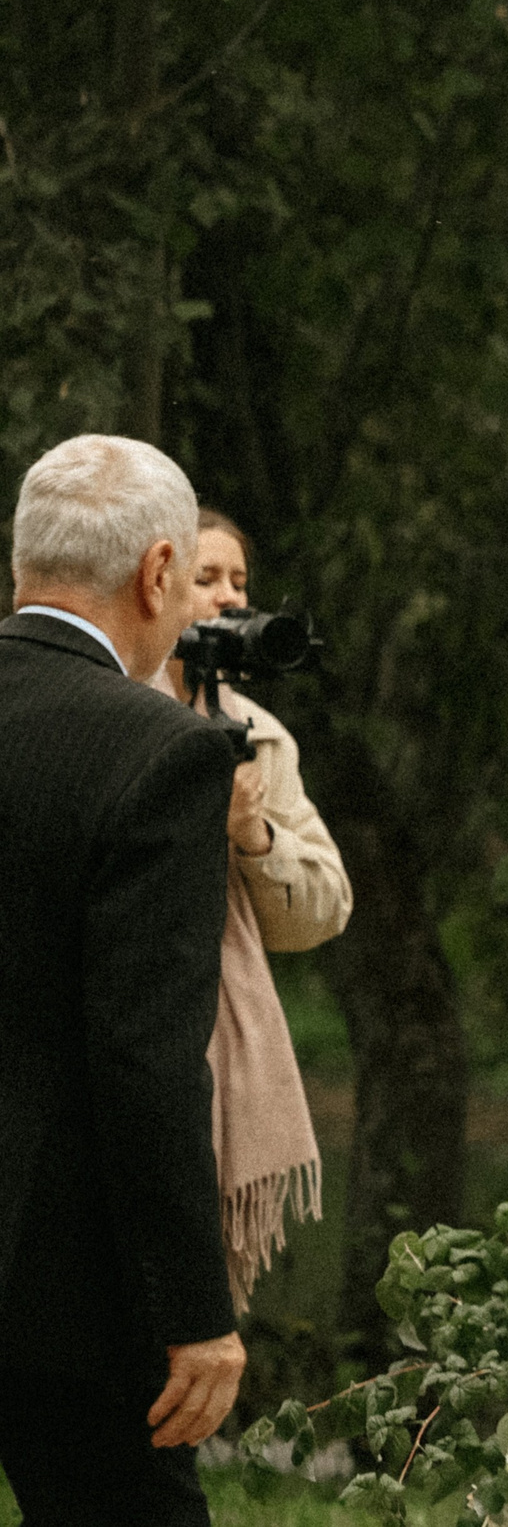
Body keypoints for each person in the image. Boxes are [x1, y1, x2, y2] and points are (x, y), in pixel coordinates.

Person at [0, 436, 246, 1526]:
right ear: (158, 572)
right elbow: (145, 1056)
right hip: (62, 1285)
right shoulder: (163, 751)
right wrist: (195, 1309)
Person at [152, 509, 350, 1309]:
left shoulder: (261, 738)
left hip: (218, 1044)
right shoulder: (109, 710)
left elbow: (325, 907)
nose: (229, 599)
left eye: (240, 582)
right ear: (154, 585)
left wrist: (252, 833)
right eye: (206, 579)